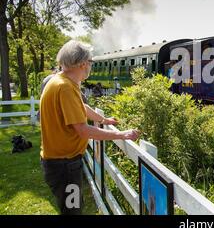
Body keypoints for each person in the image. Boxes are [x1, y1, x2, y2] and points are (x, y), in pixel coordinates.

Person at [39, 40, 139, 215]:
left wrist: (104, 120)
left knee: (72, 208)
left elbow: (81, 108)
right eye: (91, 62)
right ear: (83, 63)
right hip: (64, 165)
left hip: (60, 162)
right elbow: (84, 130)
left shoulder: (62, 81)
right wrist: (122, 135)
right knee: (72, 211)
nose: (90, 66)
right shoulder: (65, 88)